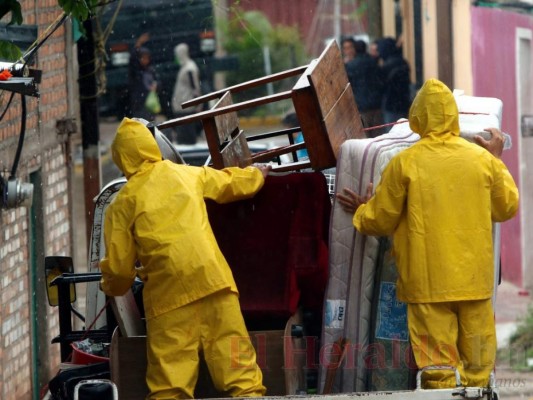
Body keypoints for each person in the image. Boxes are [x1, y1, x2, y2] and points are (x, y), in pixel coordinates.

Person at [336, 78, 519, 389]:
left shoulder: (404, 163)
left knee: (438, 367)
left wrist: (362, 212)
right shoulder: (483, 160)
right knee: (479, 365)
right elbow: (506, 207)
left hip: (426, 284)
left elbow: (380, 221)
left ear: (417, 116)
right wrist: (497, 160)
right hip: (474, 282)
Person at [99, 118, 269, 399]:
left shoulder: (122, 204)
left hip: (170, 301)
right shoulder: (187, 174)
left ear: (121, 159)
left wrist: (112, 286)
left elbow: (118, 272)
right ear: (151, 148)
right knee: (243, 378)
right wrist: (258, 175)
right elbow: (231, 183)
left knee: (170, 388)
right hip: (216, 287)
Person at [344, 39, 384, 137]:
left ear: (355, 50)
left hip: (361, 106)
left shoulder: (350, 66)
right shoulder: (373, 62)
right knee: (378, 134)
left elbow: (348, 84)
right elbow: (380, 80)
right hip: (376, 104)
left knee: (366, 134)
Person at [376, 37, 412, 128]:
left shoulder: (387, 66)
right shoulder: (403, 62)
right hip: (403, 102)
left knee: (392, 132)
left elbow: (381, 85)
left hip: (390, 104)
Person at [171, 43, 202, 144]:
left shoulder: (189, 68)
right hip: (181, 106)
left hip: (187, 106)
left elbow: (195, 88)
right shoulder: (185, 67)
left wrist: (198, 103)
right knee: (182, 136)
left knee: (187, 137)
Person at [127, 33, 158, 121]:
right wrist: (138, 44)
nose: (145, 60)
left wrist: (156, 86)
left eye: (147, 58)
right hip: (139, 103)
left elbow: (157, 81)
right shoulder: (136, 71)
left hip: (150, 103)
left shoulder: (151, 70)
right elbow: (132, 61)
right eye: (143, 58)